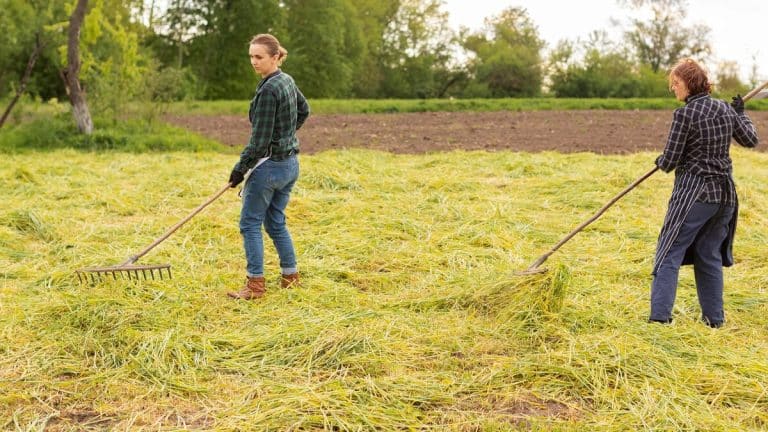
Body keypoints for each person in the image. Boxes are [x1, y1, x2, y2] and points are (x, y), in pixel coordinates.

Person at [649, 58, 758, 327]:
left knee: (668, 251)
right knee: (708, 255)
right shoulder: (724, 109)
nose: (674, 89)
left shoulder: (684, 115)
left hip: (694, 195)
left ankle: (659, 321)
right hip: (724, 197)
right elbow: (750, 139)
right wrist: (740, 113)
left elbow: (671, 160)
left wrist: (660, 161)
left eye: (676, 83)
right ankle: (715, 322)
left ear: (690, 83)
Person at [227, 33, 310, 300]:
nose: (253, 61)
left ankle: (255, 285)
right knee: (275, 222)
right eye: (251, 56)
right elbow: (304, 110)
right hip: (290, 165)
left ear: (275, 57)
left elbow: (259, 141)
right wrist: (286, 136)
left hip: (270, 168)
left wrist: (240, 169)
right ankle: (290, 277)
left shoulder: (269, 90)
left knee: (250, 223)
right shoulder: (286, 80)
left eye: (259, 57)